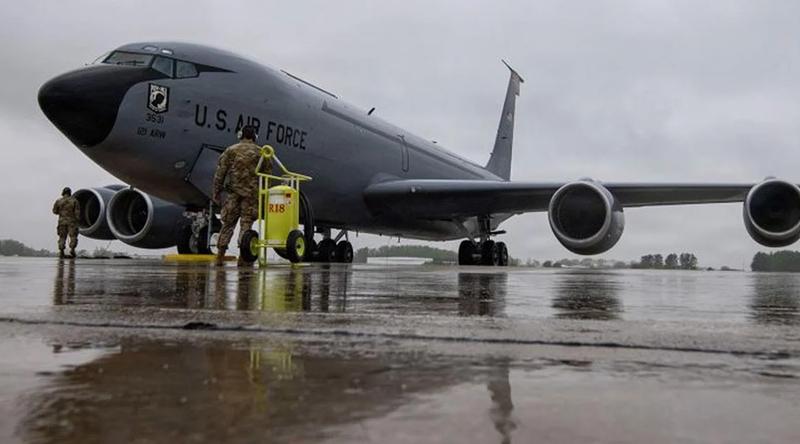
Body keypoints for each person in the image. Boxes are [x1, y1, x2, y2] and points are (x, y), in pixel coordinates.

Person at [212, 125, 269, 266]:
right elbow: (267, 175)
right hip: (251, 195)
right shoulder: (261, 153)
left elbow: (220, 173)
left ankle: (220, 256)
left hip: (234, 193)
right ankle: (243, 259)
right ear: (255, 136)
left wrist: (216, 192)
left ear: (240, 135)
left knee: (228, 224)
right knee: (246, 224)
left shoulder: (230, 151)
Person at [52, 187, 80, 258]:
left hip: (62, 222)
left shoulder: (59, 201)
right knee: (73, 236)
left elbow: (54, 211)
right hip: (72, 222)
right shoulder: (74, 201)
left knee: (62, 237)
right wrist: (77, 220)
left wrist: (61, 213)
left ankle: (61, 251)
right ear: (70, 193)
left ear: (63, 193)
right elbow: (77, 213)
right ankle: (72, 250)